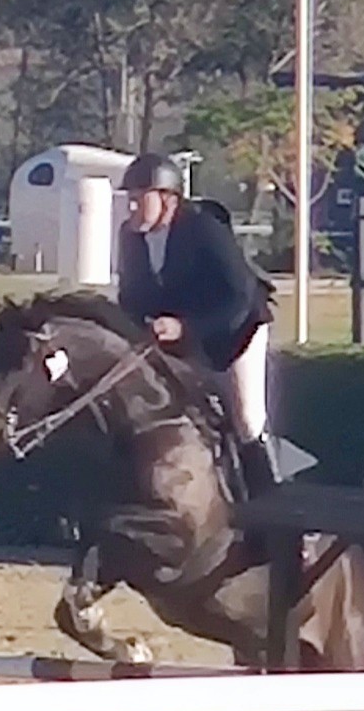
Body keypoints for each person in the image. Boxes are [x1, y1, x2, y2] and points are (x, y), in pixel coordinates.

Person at [115, 152, 279, 493]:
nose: (130, 209)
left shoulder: (204, 228)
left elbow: (239, 296)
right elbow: (130, 296)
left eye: (137, 200)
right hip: (180, 336)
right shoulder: (130, 236)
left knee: (247, 420)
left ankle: (275, 509)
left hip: (238, 331)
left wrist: (185, 327)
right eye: (129, 200)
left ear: (167, 198)